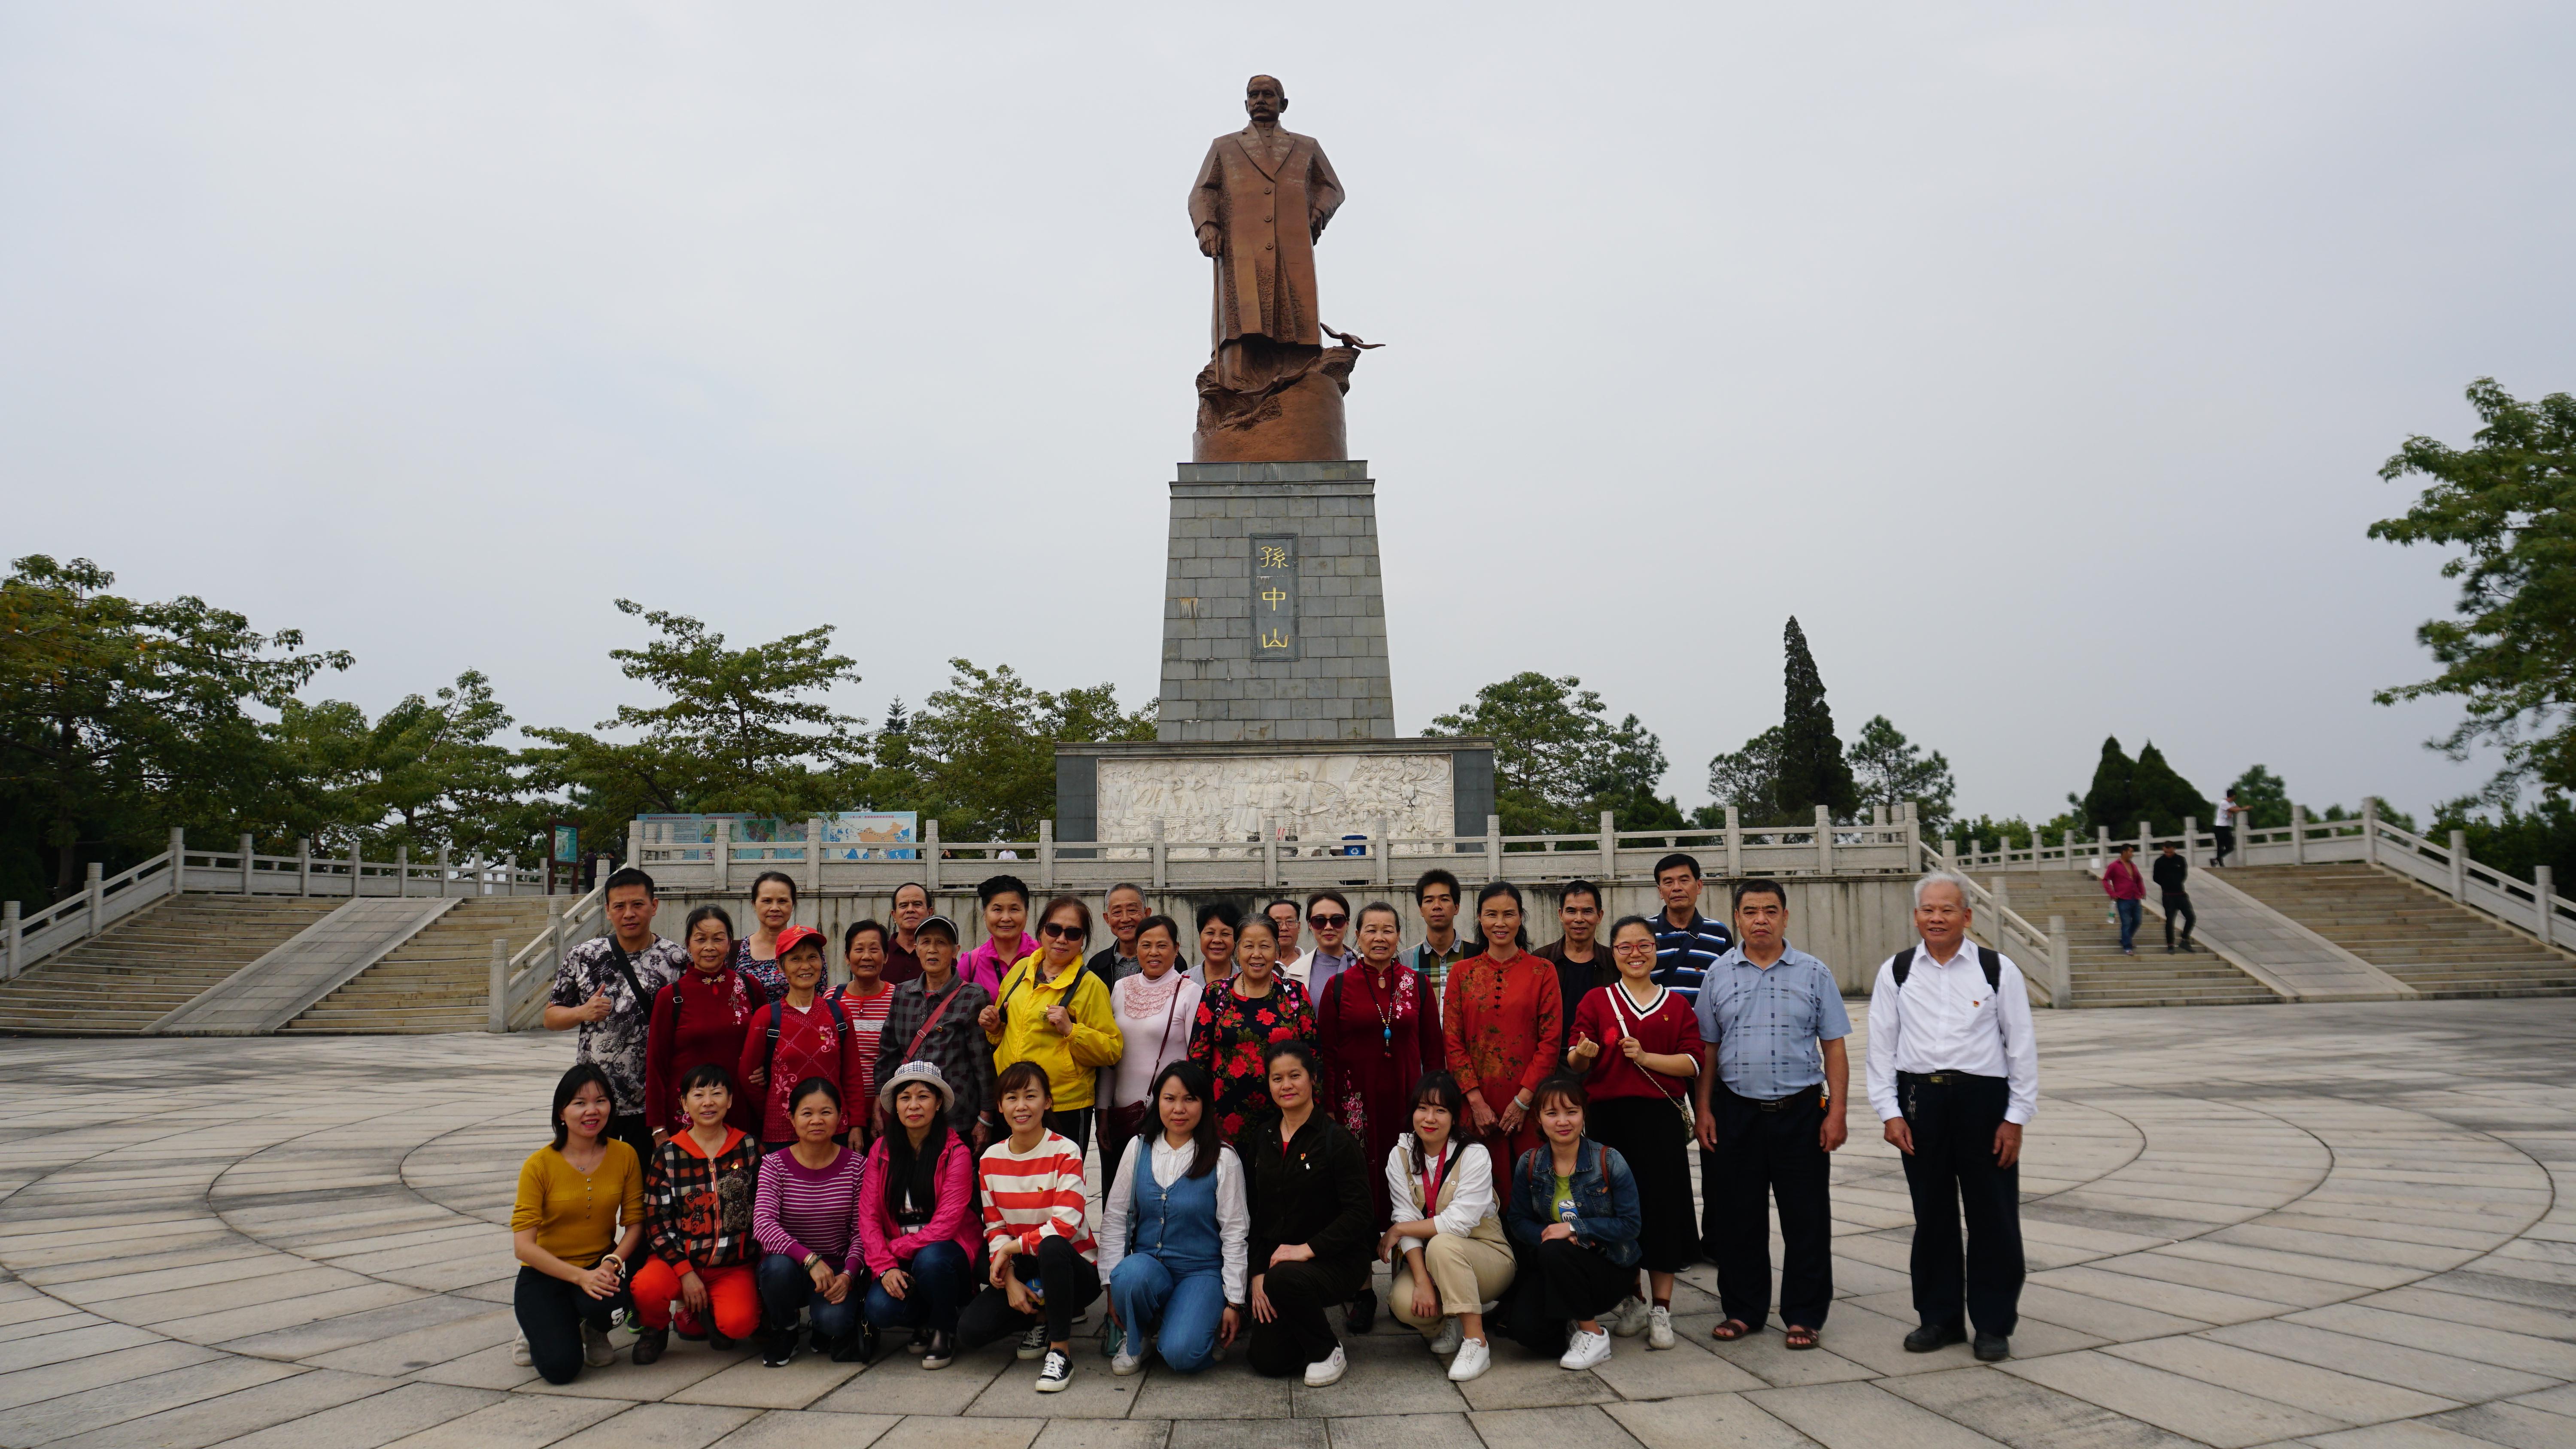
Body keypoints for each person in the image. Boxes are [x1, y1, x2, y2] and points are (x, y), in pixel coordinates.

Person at [1867, 871, 2039, 1363]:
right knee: (1933, 1214)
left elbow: (2020, 1046)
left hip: (1984, 1102)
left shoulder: (1996, 968)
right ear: (1916, 915)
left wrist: (2015, 1118)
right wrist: (1890, 1112)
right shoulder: (1898, 971)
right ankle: (1939, 1318)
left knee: (1993, 1215)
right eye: (1928, 909)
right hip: (1921, 1101)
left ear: (1967, 916)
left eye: (1947, 910)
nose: (1936, 917)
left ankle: (1993, 1323)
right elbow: (1881, 1049)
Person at [1692, 882, 1851, 1351]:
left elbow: (1834, 1046)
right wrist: (1703, 1108)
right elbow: (1709, 1047)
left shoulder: (1814, 973)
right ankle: (1743, 1309)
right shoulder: (1719, 974)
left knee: (1806, 1217)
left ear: (1785, 917)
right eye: (1750, 911)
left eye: (1770, 911)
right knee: (1740, 1218)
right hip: (1736, 1109)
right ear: (1736, 918)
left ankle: (1804, 1314)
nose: (1760, 919)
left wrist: (1837, 1111)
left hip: (1801, 1111)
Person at [1567, 915, 1699, 1349]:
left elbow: (1691, 1063)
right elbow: (1576, 1060)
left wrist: (1646, 1056)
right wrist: (1583, 1055)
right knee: (1613, 1211)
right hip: (1608, 1121)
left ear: (1655, 949)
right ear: (1613, 953)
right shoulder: (1597, 1000)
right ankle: (1631, 1297)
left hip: (1658, 1119)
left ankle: (1662, 1307)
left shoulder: (1676, 1005)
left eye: (1644, 944)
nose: (1635, 953)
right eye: (1625, 946)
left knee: (1663, 1211)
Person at [1314, 898, 1443, 1331]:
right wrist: (1330, 1108)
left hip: (1408, 1107)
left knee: (1410, 1189)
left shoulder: (1417, 985)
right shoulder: (1340, 987)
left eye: (1388, 930)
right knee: (1359, 1192)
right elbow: (1327, 1054)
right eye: (1371, 930)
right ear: (1357, 936)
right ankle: (1363, 1288)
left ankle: (1410, 1280)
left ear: (1398, 936)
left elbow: (1433, 1051)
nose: (1380, 938)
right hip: (1355, 1108)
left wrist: (1435, 1106)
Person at [959, 1061, 1102, 1393]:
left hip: (1073, 1268)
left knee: (1051, 1247)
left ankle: (1060, 1351)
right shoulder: (991, 1159)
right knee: (972, 1332)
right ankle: (1037, 1315)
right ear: (1000, 1106)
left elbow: (1065, 1225)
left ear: (1047, 1102)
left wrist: (1009, 1249)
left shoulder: (1066, 1151)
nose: (1021, 1106)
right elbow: (994, 1228)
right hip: (1025, 1269)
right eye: (1012, 1097)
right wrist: (1008, 1280)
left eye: (1031, 1096)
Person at [1101, 1061, 1249, 1376]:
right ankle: (1138, 1335)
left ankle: (1187, 1325)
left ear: (1204, 1104)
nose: (1179, 1109)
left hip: (1201, 1273)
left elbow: (1235, 1233)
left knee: (1181, 1355)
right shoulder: (1138, 1148)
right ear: (1158, 1102)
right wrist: (1111, 1288)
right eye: (1170, 1099)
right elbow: (1115, 1218)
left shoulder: (1223, 1158)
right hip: (1149, 1269)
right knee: (1128, 1275)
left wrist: (1234, 1302)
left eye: (1189, 1099)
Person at [1241, 1042, 1373, 1385]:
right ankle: (1299, 1322)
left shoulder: (1337, 1140)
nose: (1286, 1085)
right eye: (1277, 1078)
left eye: (1295, 1076)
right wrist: (1256, 1274)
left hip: (1336, 1261)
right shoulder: (1263, 1137)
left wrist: (1307, 1250)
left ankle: (1328, 1351)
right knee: (1266, 1360)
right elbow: (1256, 1212)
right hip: (1279, 1266)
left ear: (1313, 1079)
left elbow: (1360, 1213)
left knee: (1284, 1277)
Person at [511, 1063, 644, 1385]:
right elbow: (523, 1246)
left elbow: (635, 1224)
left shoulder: (625, 1154)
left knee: (608, 1307)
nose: (592, 1111)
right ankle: (537, 1326)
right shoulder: (539, 1165)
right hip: (545, 1273)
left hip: (601, 1266)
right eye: (579, 1103)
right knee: (561, 1369)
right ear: (561, 1113)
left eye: (600, 1101)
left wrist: (611, 1263)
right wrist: (580, 1278)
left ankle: (594, 1328)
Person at [544, 867, 686, 1161]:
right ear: (608, 910)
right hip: (597, 1100)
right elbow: (551, 1017)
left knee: (647, 1191)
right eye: (619, 906)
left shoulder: (676, 959)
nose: (629, 914)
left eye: (637, 905)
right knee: (596, 1187)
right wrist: (583, 1012)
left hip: (653, 1102)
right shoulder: (584, 956)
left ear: (654, 906)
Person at [1501, 1076, 1641, 1371]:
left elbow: (1631, 1225)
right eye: (1552, 1114)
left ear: (1584, 1114)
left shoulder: (1609, 1160)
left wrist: (1576, 1228)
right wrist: (1550, 1234)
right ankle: (1569, 1322)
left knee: (1555, 1250)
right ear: (1538, 1117)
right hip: (1556, 1266)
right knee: (1525, 1332)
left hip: (1608, 1268)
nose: (1563, 1121)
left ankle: (1593, 1333)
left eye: (1571, 1112)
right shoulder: (1530, 1164)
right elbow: (1517, 1220)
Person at [1382, 1072, 1514, 1383]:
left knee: (1443, 1243)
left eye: (1441, 1111)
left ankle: (1476, 1341)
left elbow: (1458, 1223)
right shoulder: (1399, 1155)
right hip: (1436, 1262)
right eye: (1423, 1108)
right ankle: (1448, 1320)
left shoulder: (1474, 1155)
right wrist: (1422, 1281)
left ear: (1455, 1117)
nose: (1430, 1119)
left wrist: (1399, 1231)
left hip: (1487, 1257)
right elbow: (1403, 1216)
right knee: (1404, 1303)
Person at [631, 1063, 763, 1361]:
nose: (708, 1102)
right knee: (646, 1287)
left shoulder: (749, 1147)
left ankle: (709, 1313)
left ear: (730, 1101)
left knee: (739, 1324)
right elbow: (656, 1221)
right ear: (684, 1103)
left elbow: (762, 1209)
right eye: (699, 1094)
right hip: (678, 1263)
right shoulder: (668, 1154)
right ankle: (655, 1329)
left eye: (717, 1094)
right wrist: (685, 1272)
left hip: (732, 1264)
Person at [860, 1061, 981, 1368]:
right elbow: (869, 1216)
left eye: (924, 1096)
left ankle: (944, 1328)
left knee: (931, 1260)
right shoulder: (880, 1150)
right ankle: (926, 1318)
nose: (914, 1105)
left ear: (939, 1103)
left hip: (945, 1251)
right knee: (878, 1309)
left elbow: (946, 1224)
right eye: (905, 1098)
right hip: (896, 1252)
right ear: (895, 1107)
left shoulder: (957, 1152)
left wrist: (895, 1249)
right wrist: (885, 1266)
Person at [981, 895, 1123, 1156]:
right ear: (1041, 930)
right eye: (1054, 929)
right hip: (1014, 1101)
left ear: (1083, 941)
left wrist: (1072, 1030)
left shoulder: (1090, 986)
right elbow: (1006, 1034)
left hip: (1063, 1106)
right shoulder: (1021, 970)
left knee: (1059, 1186)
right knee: (1015, 1183)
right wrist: (993, 1028)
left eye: (1073, 933)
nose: (1061, 939)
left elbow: (1112, 1050)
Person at [1443, 882, 1564, 1180]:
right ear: (1480, 919)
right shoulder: (1461, 972)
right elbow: (1452, 1040)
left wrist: (1523, 1102)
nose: (1500, 923)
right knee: (1479, 1192)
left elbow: (1550, 1043)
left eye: (1508, 914)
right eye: (1491, 915)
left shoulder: (1543, 971)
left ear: (1520, 917)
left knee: (1532, 1186)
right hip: (1475, 1105)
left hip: (1531, 1103)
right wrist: (1475, 1101)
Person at [753, 1077, 866, 1367]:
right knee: (776, 1268)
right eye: (807, 1113)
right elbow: (764, 1224)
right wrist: (810, 1260)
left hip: (837, 1270)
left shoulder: (857, 1166)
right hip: (791, 1266)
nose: (817, 1120)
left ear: (841, 1118)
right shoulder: (774, 1165)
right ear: (791, 1118)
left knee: (835, 1324)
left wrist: (849, 1275)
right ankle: (786, 1329)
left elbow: (862, 1231)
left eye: (826, 1112)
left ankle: (821, 1324)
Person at [1188, 912, 1317, 1140]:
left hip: (1286, 1115)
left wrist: (1317, 1110)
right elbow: (1197, 1059)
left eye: (1265, 946)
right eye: (1248, 946)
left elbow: (1314, 1055)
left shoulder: (1295, 994)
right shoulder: (1215, 994)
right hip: (1223, 1118)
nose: (1256, 955)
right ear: (1237, 951)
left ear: (1277, 952)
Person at [875, 915, 999, 1146]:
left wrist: (986, 1116)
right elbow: (888, 1054)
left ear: (955, 951)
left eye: (941, 943)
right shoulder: (902, 993)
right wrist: (879, 1105)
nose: (933, 950)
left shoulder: (973, 996)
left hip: (957, 1118)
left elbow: (982, 1063)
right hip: (909, 1117)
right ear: (916, 948)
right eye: (926, 942)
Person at [644, 905, 765, 1140]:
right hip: (688, 1113)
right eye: (701, 940)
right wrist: (658, 1127)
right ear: (689, 945)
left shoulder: (750, 987)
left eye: (718, 939)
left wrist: (764, 1071)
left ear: (730, 943)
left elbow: (769, 1047)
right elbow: (656, 1066)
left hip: (740, 1108)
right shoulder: (671, 996)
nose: (709, 947)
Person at [739, 925, 865, 1151]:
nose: (805, 966)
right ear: (780, 966)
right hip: (782, 1133)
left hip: (834, 1130)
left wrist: (856, 1125)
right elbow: (748, 1076)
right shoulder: (767, 1016)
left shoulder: (839, 1013)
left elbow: (852, 1074)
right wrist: (774, 1109)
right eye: (795, 959)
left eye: (812, 958)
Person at [1103, 915, 1204, 1188]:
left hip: (1169, 1115)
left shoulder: (1190, 991)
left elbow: (1196, 1060)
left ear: (1177, 948)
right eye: (1146, 945)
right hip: (1122, 1115)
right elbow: (1111, 1055)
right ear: (1136, 949)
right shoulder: (1121, 988)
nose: (1154, 953)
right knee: (1121, 1196)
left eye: (1162, 945)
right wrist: (1102, 1111)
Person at [1647, 854, 1735, 1008]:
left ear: (1699, 886)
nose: (1677, 888)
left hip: (1703, 1030)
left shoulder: (1719, 933)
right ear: (1660, 891)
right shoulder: (1644, 931)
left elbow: (1730, 986)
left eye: (1684, 880)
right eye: (1668, 882)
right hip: (1654, 1030)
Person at [834, 921, 900, 1112]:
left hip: (888, 1106)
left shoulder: (899, 998)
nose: (866, 957)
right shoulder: (833, 998)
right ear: (847, 957)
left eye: (874, 949)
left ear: (886, 957)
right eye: (859, 949)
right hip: (841, 1106)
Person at [1405, 869, 1477, 1017]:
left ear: (1456, 907)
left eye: (1444, 899)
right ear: (1421, 910)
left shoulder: (1478, 955)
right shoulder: (1406, 960)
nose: (1437, 906)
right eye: (1429, 900)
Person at [1536, 879, 1614, 1015]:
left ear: (1600, 916)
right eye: (1571, 911)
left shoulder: (1614, 962)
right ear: (1561, 915)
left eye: (1587, 911)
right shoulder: (1541, 960)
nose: (1579, 919)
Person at [960, 874, 1036, 996]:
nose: (1006, 918)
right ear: (985, 913)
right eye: (997, 910)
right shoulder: (970, 964)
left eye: (1014, 909)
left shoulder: (1044, 955)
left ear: (1026, 913)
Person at [734, 870, 799, 1000]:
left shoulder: (807, 948)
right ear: (754, 904)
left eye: (782, 901)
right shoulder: (735, 950)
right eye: (767, 901)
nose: (775, 908)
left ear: (793, 905)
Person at [1290, 890, 1355, 999]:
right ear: (1310, 925)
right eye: (1319, 921)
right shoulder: (1294, 972)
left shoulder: (1364, 964)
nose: (1328, 927)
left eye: (1337, 920)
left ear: (1347, 923)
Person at [1091, 883, 1150, 982]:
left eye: (1132, 910)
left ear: (1147, 914)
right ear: (1107, 919)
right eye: (1117, 912)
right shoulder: (1097, 965)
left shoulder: (1167, 960)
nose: (1125, 919)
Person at [882, 881, 932, 985]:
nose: (910, 910)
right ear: (894, 915)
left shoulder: (941, 953)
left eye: (917, 905)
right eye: (904, 906)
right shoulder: (880, 953)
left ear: (930, 913)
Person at [2152, 843, 2197, 954]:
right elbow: (2156, 877)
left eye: (2170, 852)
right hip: (2168, 896)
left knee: (2191, 917)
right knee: (2170, 921)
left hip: (2180, 894)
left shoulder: (2180, 860)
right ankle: (2170, 945)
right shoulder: (2160, 862)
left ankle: (2185, 939)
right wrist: (2166, 884)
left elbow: (2184, 875)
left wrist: (2176, 882)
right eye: (2166, 852)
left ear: (2174, 849)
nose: (2168, 854)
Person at [2103, 843, 2145, 956]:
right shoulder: (2114, 866)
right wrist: (2112, 893)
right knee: (2126, 923)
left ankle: (2126, 939)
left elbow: (2139, 880)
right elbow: (2105, 880)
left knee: (2137, 921)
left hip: (2135, 897)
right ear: (2124, 852)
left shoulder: (2133, 866)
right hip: (2123, 898)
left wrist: (2142, 891)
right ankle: (2127, 946)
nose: (2132, 854)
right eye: (2130, 852)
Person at [1195, 900, 1240, 982]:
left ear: (1236, 938)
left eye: (1225, 934)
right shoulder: (1182, 983)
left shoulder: (1250, 981)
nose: (1217, 940)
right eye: (1210, 933)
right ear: (1200, 935)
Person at [2215, 788, 2243, 867]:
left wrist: (2236, 810)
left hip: (2227, 827)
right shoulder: (2224, 803)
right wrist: (2244, 809)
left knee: (2230, 847)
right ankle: (2220, 862)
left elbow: (2236, 809)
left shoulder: (2232, 803)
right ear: (2233, 796)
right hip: (2220, 827)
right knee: (2220, 846)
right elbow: (2223, 815)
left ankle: (2217, 859)